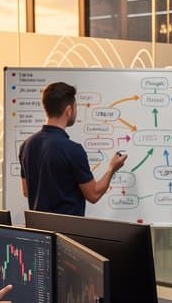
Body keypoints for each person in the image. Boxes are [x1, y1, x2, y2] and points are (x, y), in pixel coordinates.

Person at [19, 81, 127, 215]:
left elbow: (26, 191)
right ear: (69, 111)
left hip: (40, 233)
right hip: (65, 233)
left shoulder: (26, 145)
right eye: (75, 107)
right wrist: (112, 168)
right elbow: (93, 195)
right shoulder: (72, 150)